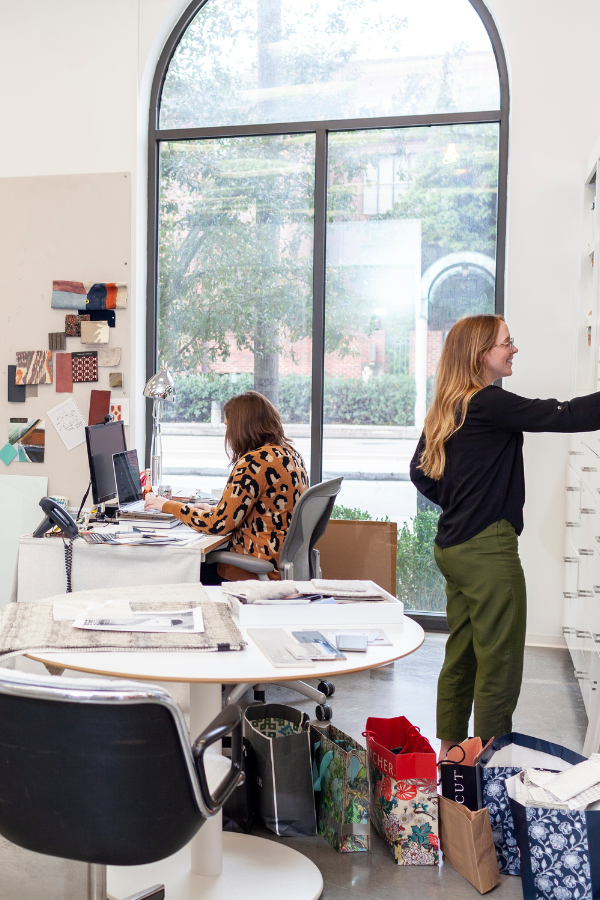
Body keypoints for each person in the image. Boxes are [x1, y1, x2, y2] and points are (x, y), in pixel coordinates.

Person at [409, 314, 600, 760]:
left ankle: (451, 758)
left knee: (462, 655)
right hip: (487, 550)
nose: (514, 349)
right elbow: (563, 414)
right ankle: (488, 769)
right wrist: (476, 504)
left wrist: (460, 501)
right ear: (481, 355)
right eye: (506, 343)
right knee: (500, 662)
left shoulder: (449, 404)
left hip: (452, 546)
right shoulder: (489, 402)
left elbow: (419, 473)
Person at [145, 391, 308, 584]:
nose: (228, 434)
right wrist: (215, 509)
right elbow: (265, 510)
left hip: (255, 565)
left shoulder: (254, 463)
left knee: (174, 568)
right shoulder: (289, 454)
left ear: (241, 428)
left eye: (228, 427)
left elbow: (217, 525)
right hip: (280, 559)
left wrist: (166, 505)